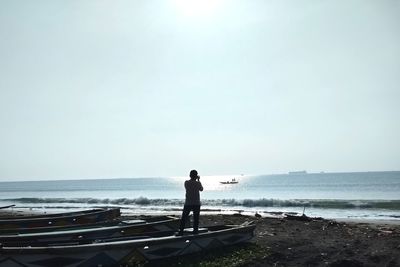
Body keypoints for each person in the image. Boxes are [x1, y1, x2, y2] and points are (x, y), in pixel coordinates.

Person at [177, 169, 203, 235]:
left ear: (190, 175)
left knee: (184, 218)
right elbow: (201, 189)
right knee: (196, 219)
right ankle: (195, 231)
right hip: (196, 203)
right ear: (196, 176)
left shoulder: (186, 182)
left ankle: (181, 231)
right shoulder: (198, 183)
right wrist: (198, 180)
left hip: (188, 203)